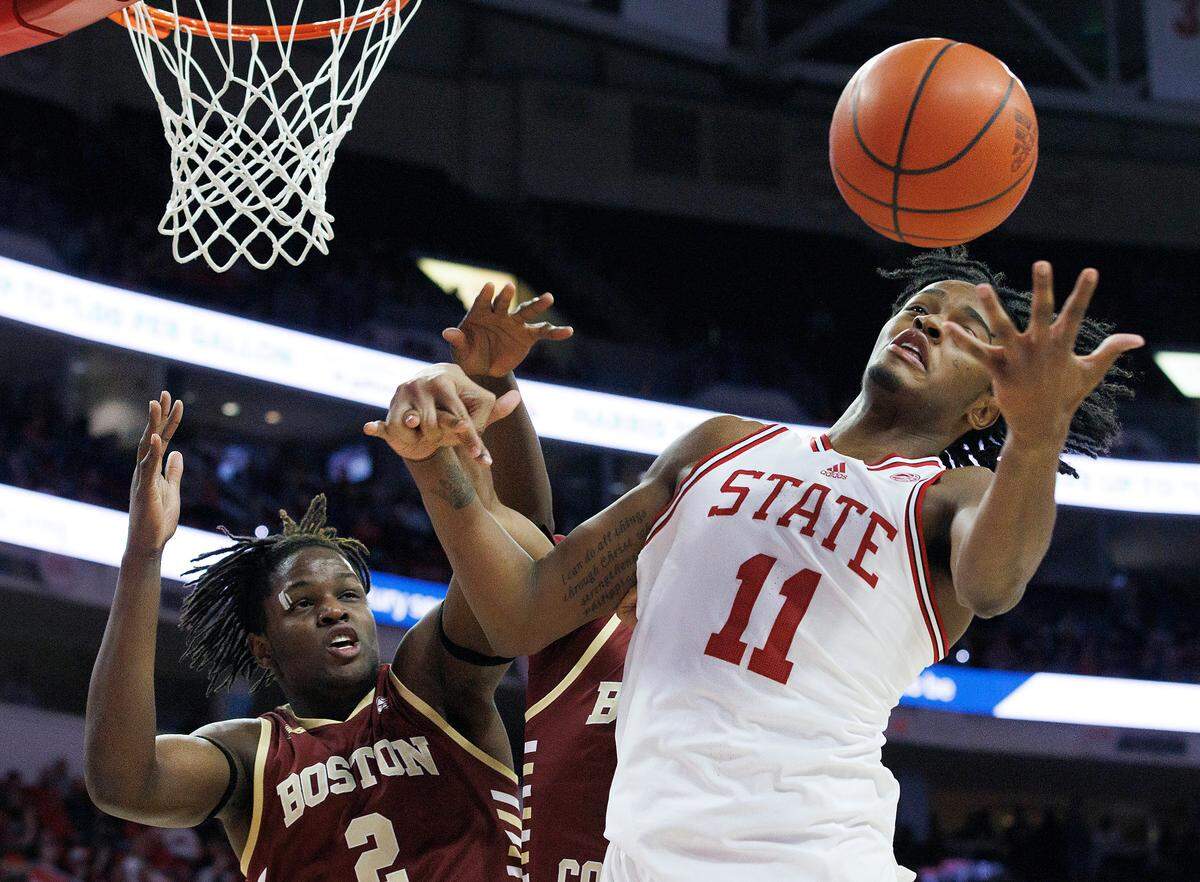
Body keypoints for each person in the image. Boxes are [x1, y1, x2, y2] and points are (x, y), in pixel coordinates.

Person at [364, 249, 1142, 882]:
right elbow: (523, 611)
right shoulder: (720, 445)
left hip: (813, 861)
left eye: (965, 330)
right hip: (641, 861)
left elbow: (995, 583)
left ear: (985, 406)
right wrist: (437, 465)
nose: (928, 323)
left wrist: (1035, 439)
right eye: (918, 308)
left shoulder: (946, 501)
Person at [84, 285, 571, 882]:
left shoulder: (430, 687)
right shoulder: (253, 755)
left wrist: (494, 381)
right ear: (262, 645)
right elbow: (121, 782)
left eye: (348, 595)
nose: (335, 611)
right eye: (302, 603)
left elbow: (529, 564)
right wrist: (141, 556)